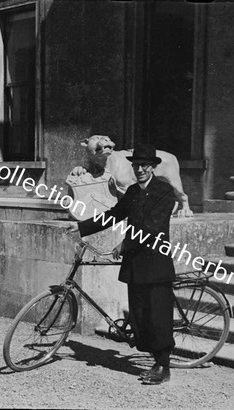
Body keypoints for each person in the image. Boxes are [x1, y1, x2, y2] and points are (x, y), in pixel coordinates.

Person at [69, 144, 178, 385]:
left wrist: (123, 245)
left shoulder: (164, 192)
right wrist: (82, 227)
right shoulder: (132, 192)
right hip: (135, 264)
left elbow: (153, 228)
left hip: (156, 263)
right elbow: (112, 215)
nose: (140, 169)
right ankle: (154, 356)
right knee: (140, 315)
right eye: (136, 165)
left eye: (144, 166)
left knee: (158, 315)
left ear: (153, 168)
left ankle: (164, 366)